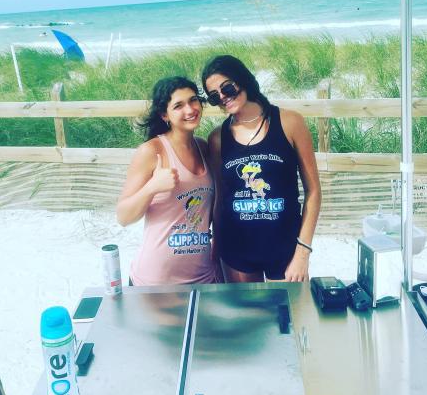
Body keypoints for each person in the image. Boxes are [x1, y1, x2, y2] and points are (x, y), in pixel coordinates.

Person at [202, 55, 321, 283]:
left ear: (243, 80)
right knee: (248, 318)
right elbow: (221, 198)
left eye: (227, 87)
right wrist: (216, 249)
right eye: (214, 96)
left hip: (285, 250)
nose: (224, 97)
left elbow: (313, 191)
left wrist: (302, 252)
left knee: (289, 316)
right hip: (236, 251)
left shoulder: (289, 122)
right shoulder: (217, 138)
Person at [116, 76, 218, 285]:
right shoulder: (152, 151)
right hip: (156, 281)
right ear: (165, 115)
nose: (190, 110)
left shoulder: (203, 147)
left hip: (203, 277)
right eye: (178, 105)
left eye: (193, 100)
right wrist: (152, 187)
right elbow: (123, 217)